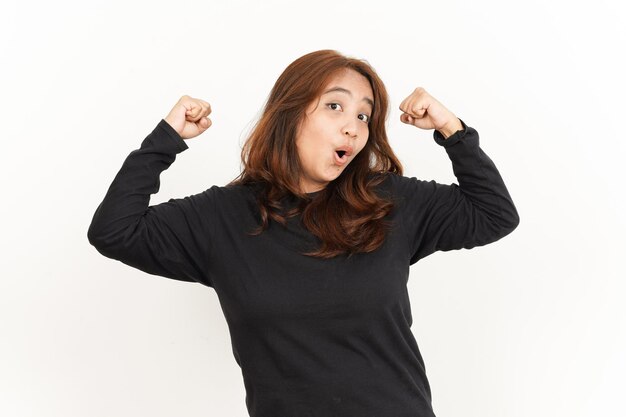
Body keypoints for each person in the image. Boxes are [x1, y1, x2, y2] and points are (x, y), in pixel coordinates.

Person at [87, 49, 519, 417]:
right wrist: (165, 140)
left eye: (364, 115)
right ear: (290, 115)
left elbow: (495, 214)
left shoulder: (388, 202)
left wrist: (451, 128)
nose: (353, 126)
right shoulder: (221, 217)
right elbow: (114, 231)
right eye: (335, 106)